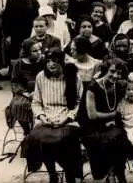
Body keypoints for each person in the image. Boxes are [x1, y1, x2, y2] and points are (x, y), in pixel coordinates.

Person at [22, 49, 83, 183]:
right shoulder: (40, 77)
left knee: (66, 140)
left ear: (61, 61)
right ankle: (52, 174)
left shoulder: (73, 77)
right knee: (37, 139)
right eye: (48, 61)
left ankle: (69, 174)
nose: (51, 64)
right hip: (47, 119)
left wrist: (65, 119)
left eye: (54, 61)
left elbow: (78, 102)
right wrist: (43, 117)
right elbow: (36, 102)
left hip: (67, 118)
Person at [81, 58, 130, 183]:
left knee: (121, 138)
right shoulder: (93, 86)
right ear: (105, 70)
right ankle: (109, 174)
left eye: (119, 73)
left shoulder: (119, 86)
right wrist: (113, 114)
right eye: (112, 71)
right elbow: (92, 115)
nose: (115, 76)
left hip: (113, 125)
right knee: (104, 140)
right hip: (93, 126)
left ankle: (116, 172)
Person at [7, 40, 45, 135]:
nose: (39, 52)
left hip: (43, 91)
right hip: (24, 92)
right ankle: (27, 131)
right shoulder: (19, 64)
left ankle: (40, 131)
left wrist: (38, 93)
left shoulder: (44, 61)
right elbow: (15, 82)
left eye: (39, 49)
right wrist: (26, 93)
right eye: (35, 51)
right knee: (18, 106)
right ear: (27, 53)